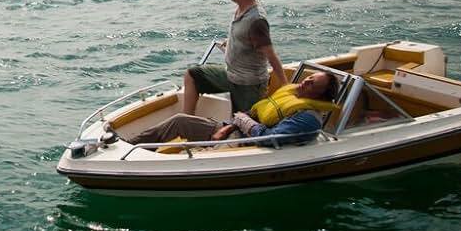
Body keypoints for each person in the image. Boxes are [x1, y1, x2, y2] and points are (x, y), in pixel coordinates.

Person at [122, 70, 340, 148]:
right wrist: (229, 127)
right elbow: (253, 113)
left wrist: (244, 122)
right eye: (308, 78)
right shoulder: (290, 96)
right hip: (233, 132)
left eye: (312, 84)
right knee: (179, 120)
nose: (305, 82)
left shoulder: (307, 118)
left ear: (319, 95)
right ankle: (130, 146)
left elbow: (269, 138)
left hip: (246, 146)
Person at [183, 0, 289, 115]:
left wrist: (285, 85)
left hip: (249, 85)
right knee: (192, 75)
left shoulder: (256, 20)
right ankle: (186, 120)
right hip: (231, 75)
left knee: (243, 124)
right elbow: (245, 35)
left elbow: (271, 55)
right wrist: (233, 41)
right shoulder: (242, 8)